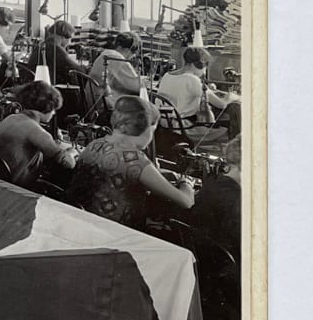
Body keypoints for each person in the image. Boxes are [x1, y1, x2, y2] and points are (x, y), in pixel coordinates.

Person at [66, 95, 195, 229]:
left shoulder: (94, 144)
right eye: (153, 131)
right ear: (145, 128)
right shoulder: (134, 159)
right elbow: (186, 201)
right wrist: (186, 184)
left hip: (79, 222)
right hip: (112, 232)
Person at [0, 80, 77, 188]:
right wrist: (72, 152)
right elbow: (68, 163)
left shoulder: (11, 118)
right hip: (15, 187)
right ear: (47, 106)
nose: (54, 113)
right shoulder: (36, 132)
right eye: (53, 109)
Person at [157, 45, 233, 126]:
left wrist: (207, 89)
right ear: (197, 64)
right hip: (183, 126)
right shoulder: (192, 79)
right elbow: (221, 105)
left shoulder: (167, 75)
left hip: (164, 123)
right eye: (205, 67)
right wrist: (230, 97)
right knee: (224, 128)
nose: (204, 72)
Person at [87, 31, 144, 112]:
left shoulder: (106, 53)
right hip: (102, 106)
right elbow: (137, 87)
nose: (132, 56)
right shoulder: (118, 58)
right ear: (128, 50)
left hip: (92, 101)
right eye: (133, 53)